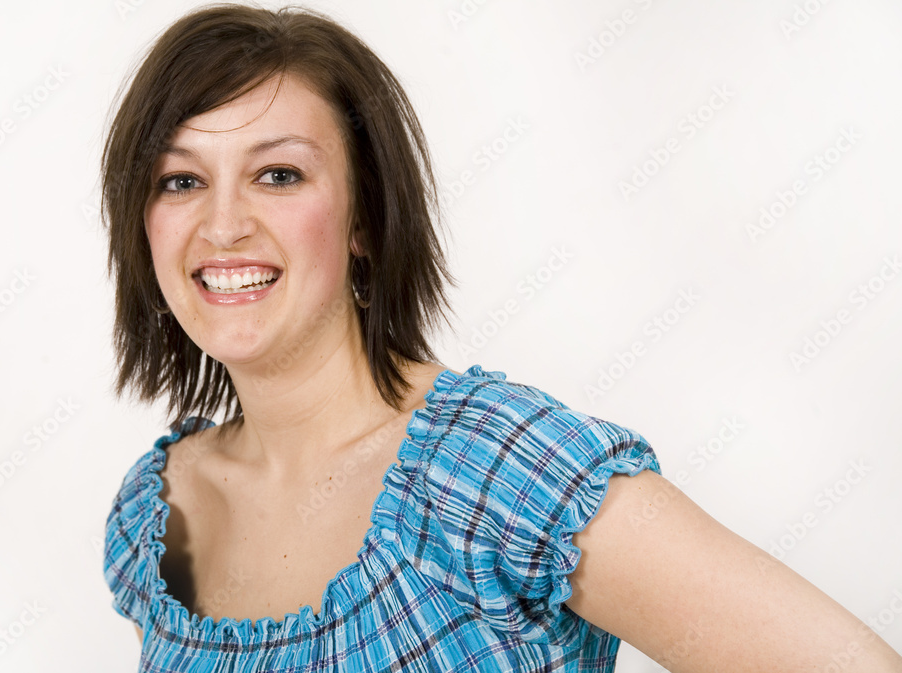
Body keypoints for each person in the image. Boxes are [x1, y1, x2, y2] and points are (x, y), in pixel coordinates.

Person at [101, 4, 902, 671]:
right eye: (181, 180)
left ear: (365, 218)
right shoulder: (156, 512)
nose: (224, 224)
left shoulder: (500, 470)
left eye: (279, 174)